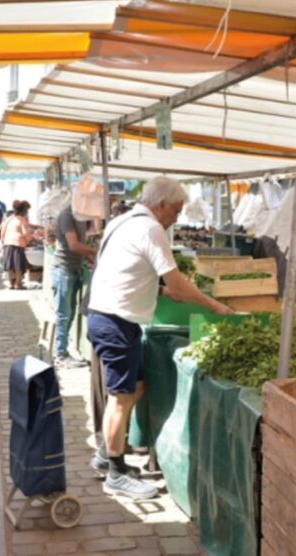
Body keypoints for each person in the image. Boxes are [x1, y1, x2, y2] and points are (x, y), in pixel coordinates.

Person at [87, 176, 233, 500]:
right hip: (115, 321)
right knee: (121, 398)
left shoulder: (122, 221)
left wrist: (156, 289)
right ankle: (115, 473)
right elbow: (179, 286)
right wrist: (214, 305)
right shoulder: (150, 228)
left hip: (109, 317)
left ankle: (106, 454)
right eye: (177, 211)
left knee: (135, 387)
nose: (176, 218)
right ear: (161, 204)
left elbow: (121, 267)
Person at [52, 205, 96, 368]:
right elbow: (74, 245)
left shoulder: (83, 217)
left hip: (74, 269)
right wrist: (95, 251)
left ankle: (62, 352)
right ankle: (60, 355)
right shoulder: (67, 215)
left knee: (69, 314)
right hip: (63, 270)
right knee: (64, 314)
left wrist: (93, 260)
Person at [1, 200, 32, 290]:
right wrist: (31, 239)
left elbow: (2, 230)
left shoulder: (9, 218)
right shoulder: (22, 220)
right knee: (18, 266)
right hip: (18, 243)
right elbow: (26, 233)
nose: (27, 212)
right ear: (23, 211)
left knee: (10, 265)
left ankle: (11, 284)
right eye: (27, 210)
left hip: (7, 243)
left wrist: (3, 241)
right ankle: (18, 284)